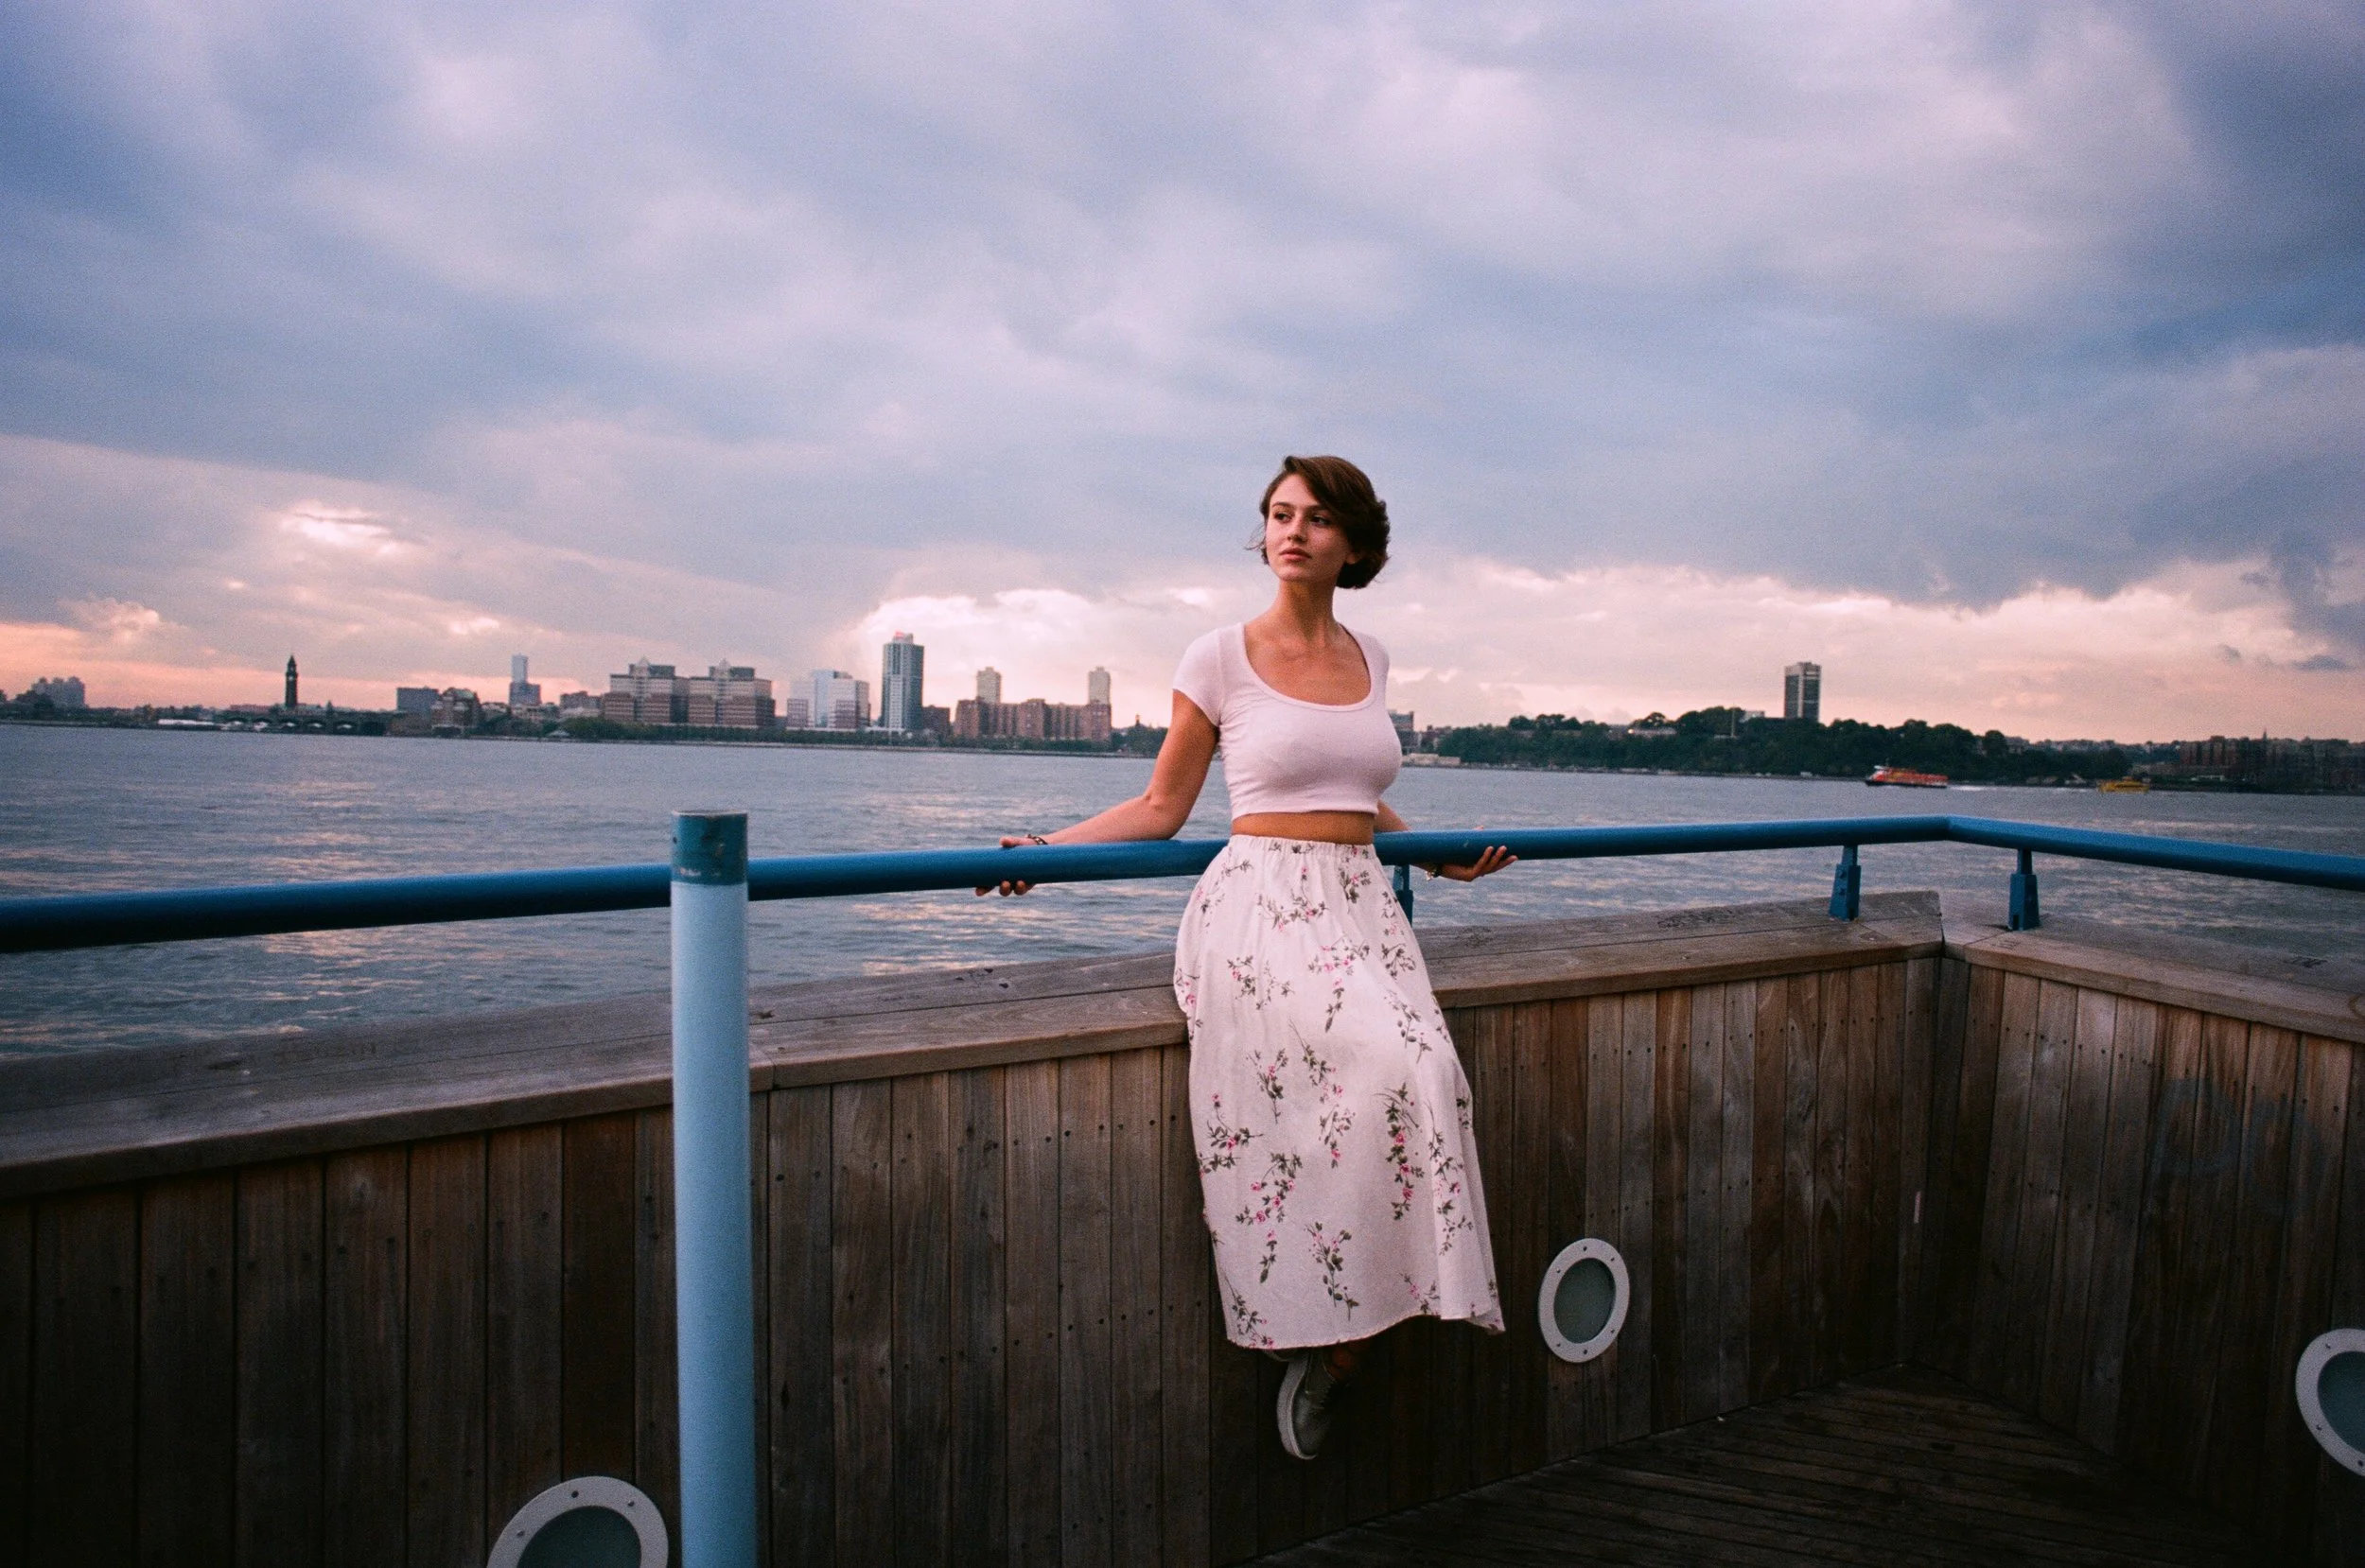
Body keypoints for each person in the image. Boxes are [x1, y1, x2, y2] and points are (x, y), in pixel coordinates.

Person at [978, 455, 1514, 1461]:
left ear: (1355, 543)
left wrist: (1435, 852)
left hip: (1362, 907)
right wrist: (1046, 853)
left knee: (1424, 1077)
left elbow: (1355, 791)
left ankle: (1344, 1338)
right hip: (1263, 906)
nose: (1291, 532)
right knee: (1354, 1092)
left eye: (1315, 518)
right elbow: (1161, 807)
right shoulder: (1217, 654)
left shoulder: (1372, 654)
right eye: (1278, 514)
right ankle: (1322, 1337)